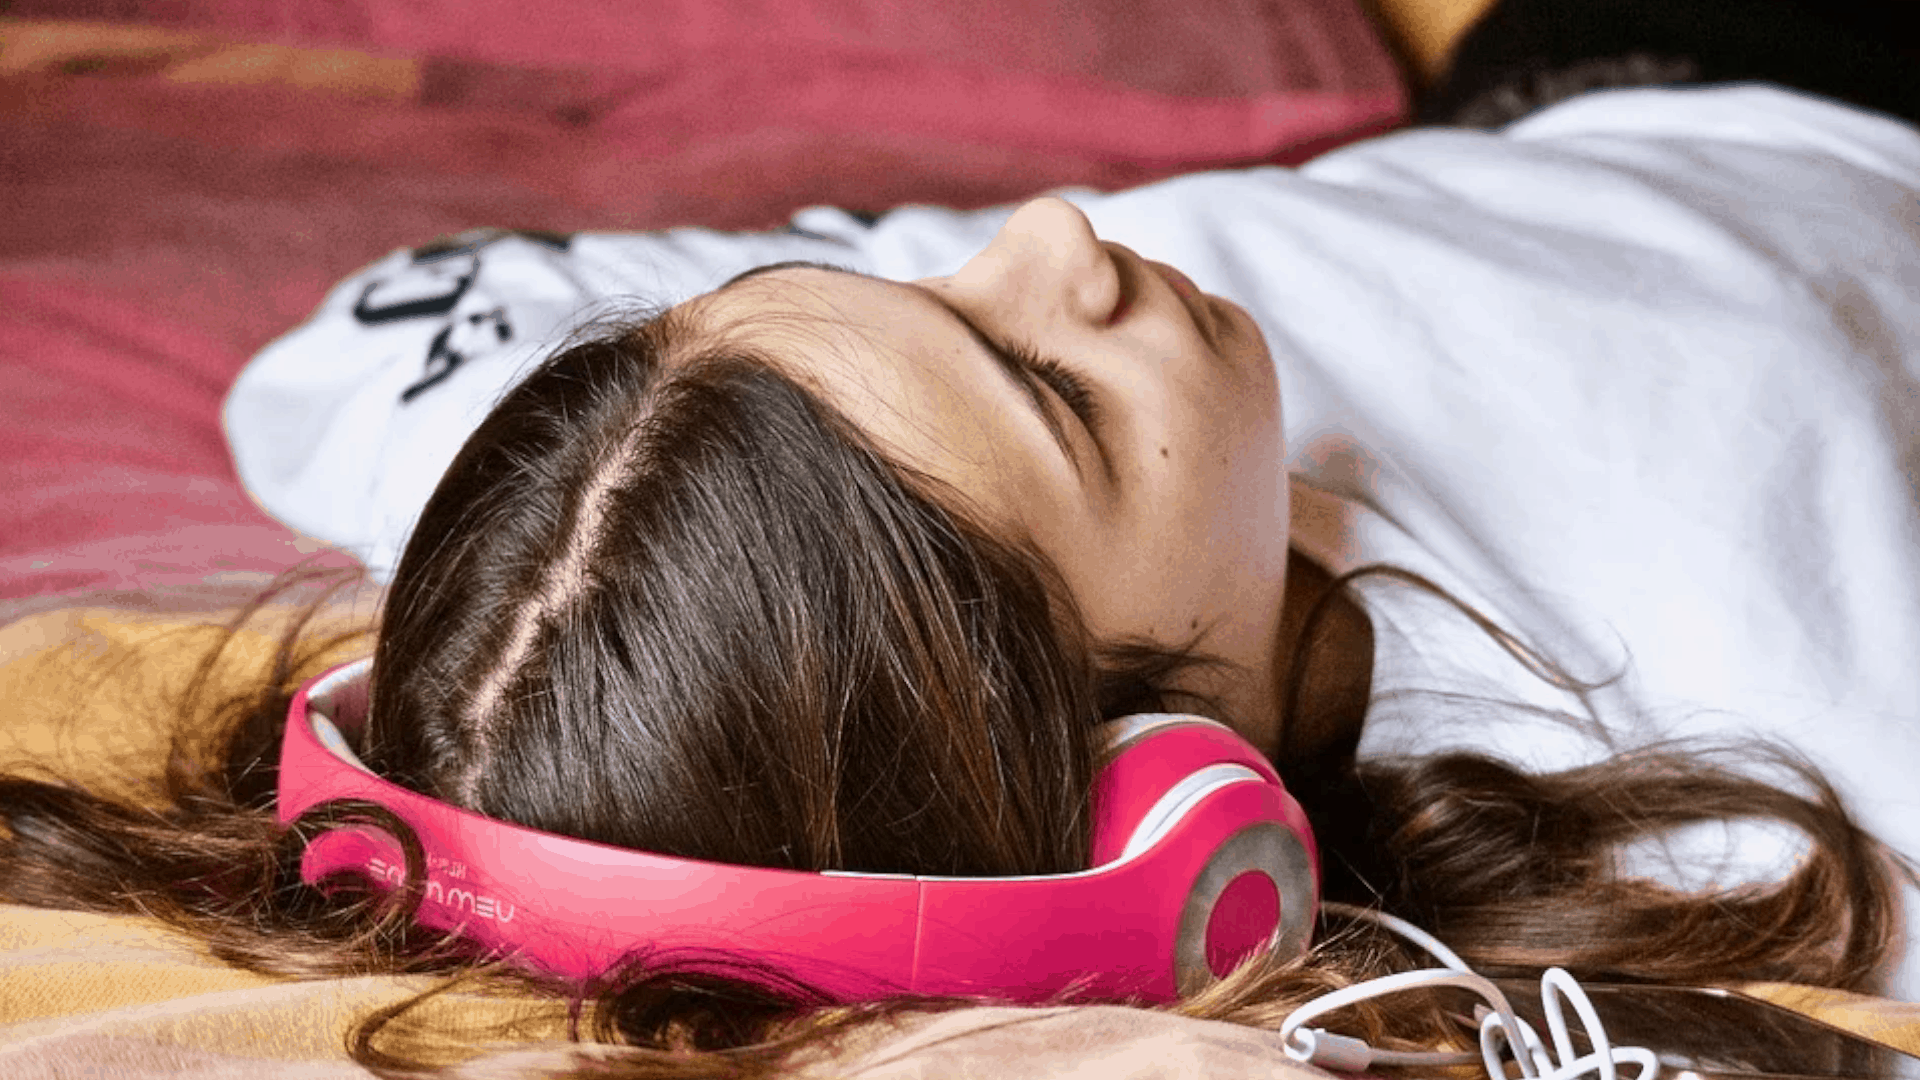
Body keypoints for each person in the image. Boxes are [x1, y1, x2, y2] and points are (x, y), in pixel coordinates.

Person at [7, 8, 1920, 1078]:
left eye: (900, 283)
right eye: (1051, 395)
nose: (1057, 236)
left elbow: (349, 348)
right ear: (1169, 793)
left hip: (1584, 67)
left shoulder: (685, 493)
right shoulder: (1796, 764)